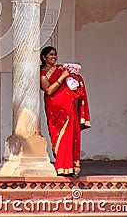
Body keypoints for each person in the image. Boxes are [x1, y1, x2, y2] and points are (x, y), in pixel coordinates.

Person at [40, 46, 91, 177]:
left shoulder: (61, 68)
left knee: (71, 135)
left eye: (55, 54)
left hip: (68, 107)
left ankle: (71, 166)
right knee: (57, 135)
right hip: (55, 108)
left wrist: (75, 78)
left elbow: (74, 80)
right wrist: (62, 77)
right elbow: (49, 90)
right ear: (44, 57)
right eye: (51, 55)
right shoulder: (42, 73)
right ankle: (62, 165)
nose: (54, 57)